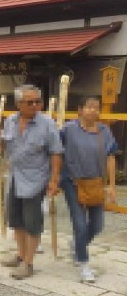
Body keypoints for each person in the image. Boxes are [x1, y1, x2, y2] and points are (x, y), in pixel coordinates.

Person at [0, 84, 63, 280]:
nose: (34, 105)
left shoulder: (47, 124)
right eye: (29, 102)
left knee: (32, 221)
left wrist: (54, 180)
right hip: (15, 176)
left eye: (37, 102)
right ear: (18, 104)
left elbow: (56, 152)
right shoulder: (10, 121)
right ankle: (20, 255)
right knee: (15, 219)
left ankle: (29, 263)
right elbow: (7, 145)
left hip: (36, 178)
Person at [60, 97, 118, 283]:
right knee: (79, 224)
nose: (93, 110)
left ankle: (78, 244)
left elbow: (111, 157)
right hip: (72, 181)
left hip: (95, 183)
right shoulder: (69, 129)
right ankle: (83, 263)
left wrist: (111, 186)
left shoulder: (104, 131)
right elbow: (55, 150)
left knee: (98, 224)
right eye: (89, 107)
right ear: (80, 109)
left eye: (96, 108)